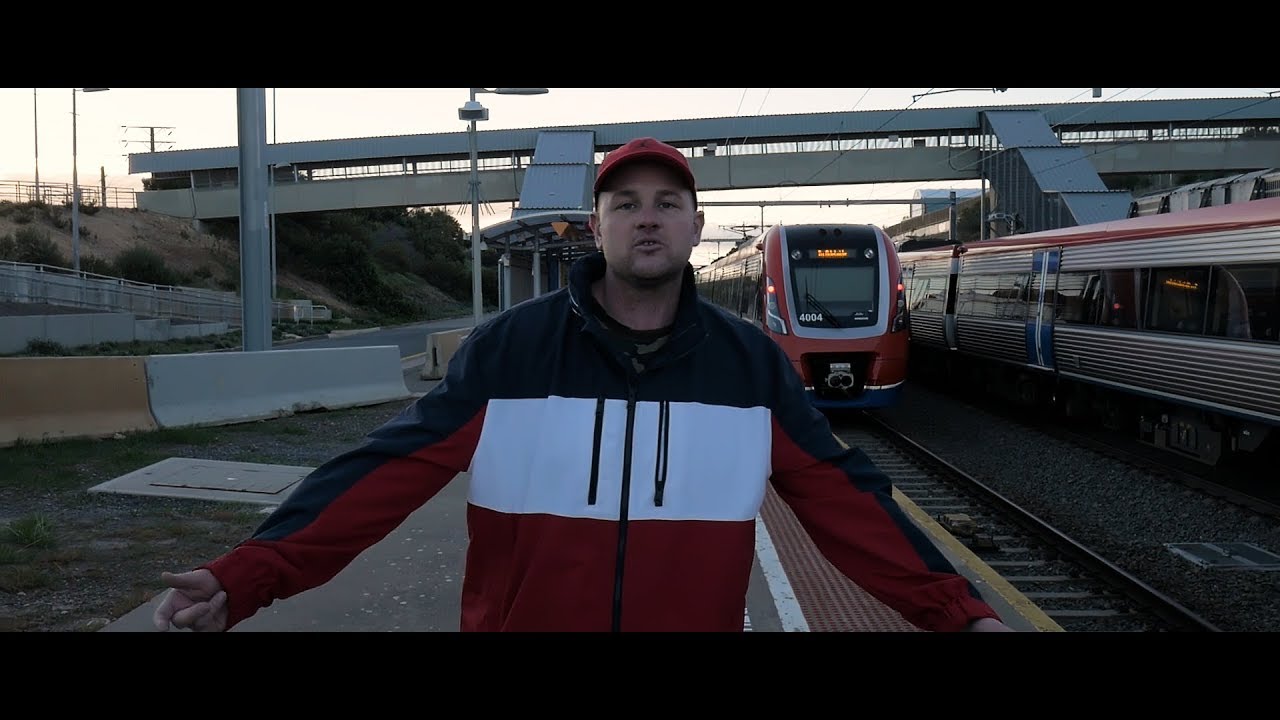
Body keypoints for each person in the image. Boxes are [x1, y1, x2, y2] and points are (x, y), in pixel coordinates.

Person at [153, 136, 1014, 633]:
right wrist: (245, 576)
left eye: (667, 202)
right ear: (596, 227)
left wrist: (959, 610)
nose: (648, 217)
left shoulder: (750, 367)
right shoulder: (511, 351)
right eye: (625, 204)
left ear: (696, 226)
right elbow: (382, 474)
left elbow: (847, 500)